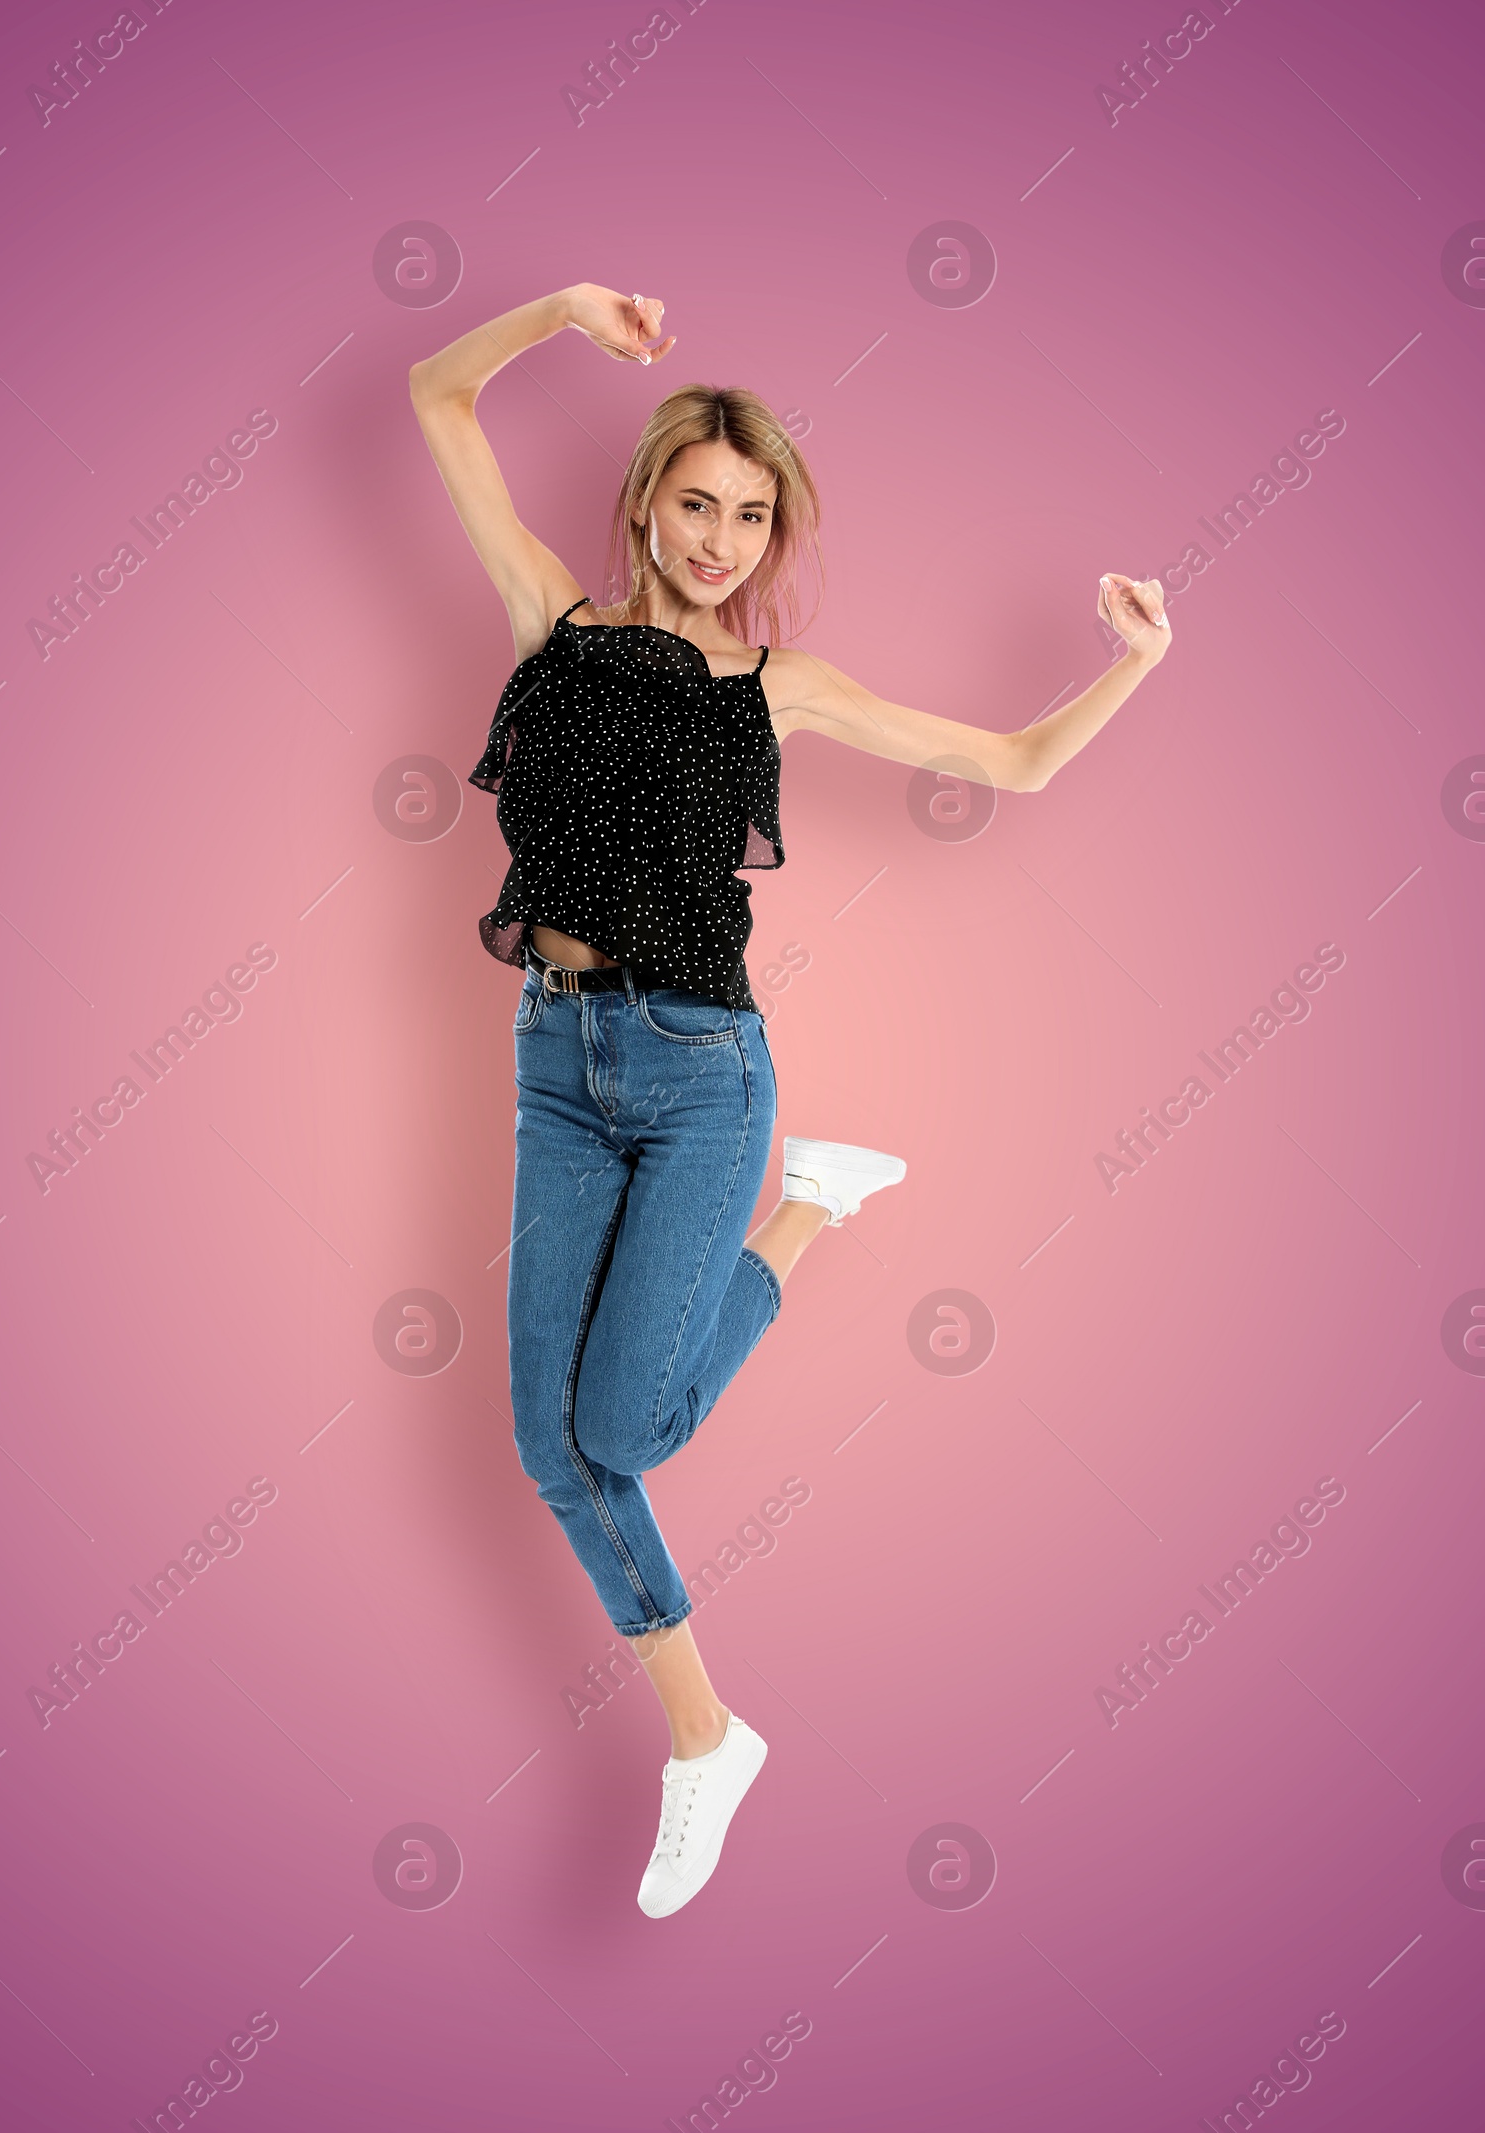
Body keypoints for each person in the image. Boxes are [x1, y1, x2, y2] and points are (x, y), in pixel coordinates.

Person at [408, 284, 1172, 1917]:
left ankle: (804, 1200)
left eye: (753, 518)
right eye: (698, 502)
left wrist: (1132, 658)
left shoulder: (781, 689)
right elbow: (434, 397)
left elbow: (1018, 763)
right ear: (644, 503)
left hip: (698, 1076)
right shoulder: (556, 618)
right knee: (548, 1449)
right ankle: (712, 1737)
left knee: (610, 1432)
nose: (722, 538)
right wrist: (555, 310)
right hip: (553, 1061)